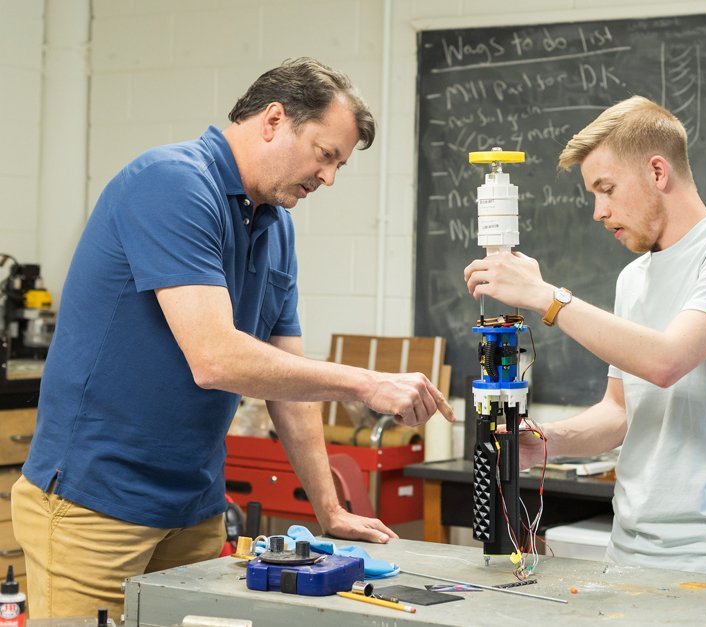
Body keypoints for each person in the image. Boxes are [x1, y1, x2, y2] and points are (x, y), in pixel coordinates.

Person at [12, 57, 455, 619]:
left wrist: (329, 507)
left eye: (339, 165)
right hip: (96, 508)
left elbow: (287, 382)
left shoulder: (275, 224)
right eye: (325, 156)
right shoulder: (172, 183)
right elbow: (215, 358)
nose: (329, 179)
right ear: (274, 119)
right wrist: (365, 383)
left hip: (194, 507)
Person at [464, 95, 706, 581]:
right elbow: (620, 412)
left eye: (607, 189)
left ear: (658, 172)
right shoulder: (633, 278)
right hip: (630, 555)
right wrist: (544, 442)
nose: (599, 211)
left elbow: (668, 361)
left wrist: (545, 296)